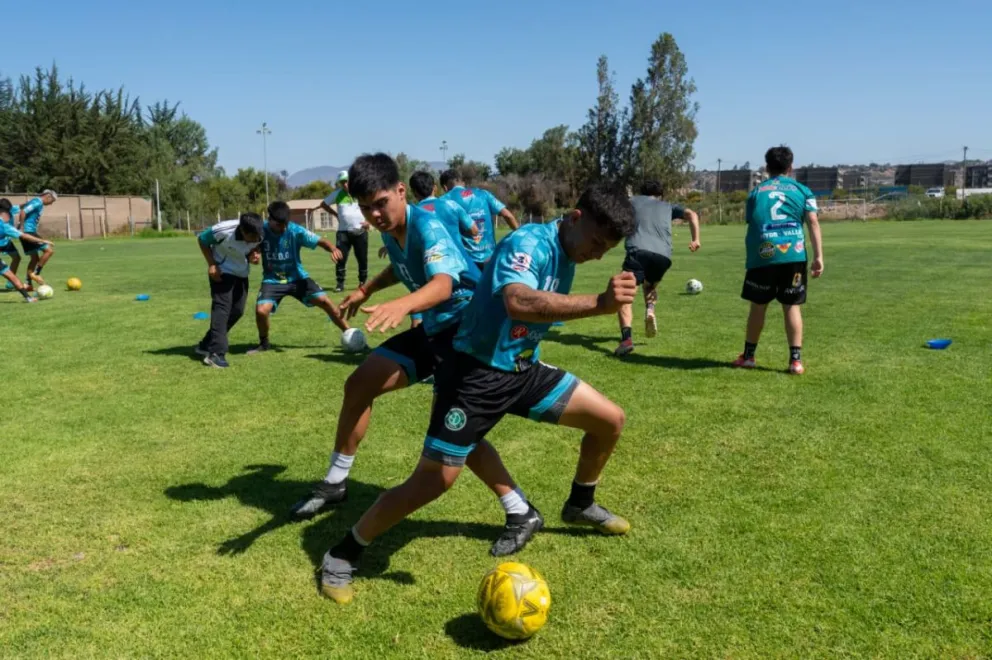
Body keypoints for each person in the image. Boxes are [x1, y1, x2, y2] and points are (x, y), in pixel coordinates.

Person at [318, 183, 639, 605]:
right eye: (596, 243)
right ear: (576, 218)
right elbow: (516, 301)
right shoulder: (529, 242)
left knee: (610, 420)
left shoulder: (567, 250)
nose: (597, 255)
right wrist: (599, 304)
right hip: (476, 376)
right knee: (432, 482)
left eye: (606, 250)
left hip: (522, 368)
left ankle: (580, 504)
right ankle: (341, 555)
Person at [291, 154, 541, 559]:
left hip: (467, 335)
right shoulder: (392, 229)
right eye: (366, 208)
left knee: (458, 435)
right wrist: (366, 290)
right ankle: (336, 482)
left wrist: (404, 305)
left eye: (381, 204)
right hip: (438, 331)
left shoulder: (426, 224)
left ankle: (519, 509)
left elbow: (443, 283)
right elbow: (401, 266)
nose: (374, 215)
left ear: (400, 191)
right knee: (360, 383)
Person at [734, 146, 823, 375]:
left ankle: (749, 357)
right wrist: (818, 256)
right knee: (791, 306)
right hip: (794, 253)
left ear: (767, 167)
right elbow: (813, 221)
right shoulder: (803, 190)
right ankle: (795, 361)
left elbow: (752, 221)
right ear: (790, 167)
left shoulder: (756, 192)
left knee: (758, 306)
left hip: (764, 253)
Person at [248, 201, 350, 354]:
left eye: (285, 224)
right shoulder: (261, 231)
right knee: (261, 311)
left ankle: (350, 333)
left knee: (325, 301)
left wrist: (333, 248)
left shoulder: (295, 230)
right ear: (270, 220)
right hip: (272, 280)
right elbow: (251, 250)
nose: (283, 228)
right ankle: (264, 343)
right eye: (279, 225)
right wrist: (253, 256)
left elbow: (320, 241)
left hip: (297, 278)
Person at [614, 180, 700, 356]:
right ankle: (650, 310)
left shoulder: (633, 201)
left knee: (625, 294)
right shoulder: (667, 206)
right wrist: (695, 239)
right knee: (650, 285)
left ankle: (626, 340)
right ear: (660, 195)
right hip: (663, 256)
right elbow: (692, 214)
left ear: (641, 191)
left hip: (638, 251)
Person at [194, 213, 265, 368]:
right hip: (222, 271)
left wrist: (254, 254)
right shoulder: (223, 230)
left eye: (257, 236)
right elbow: (202, 240)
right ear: (243, 230)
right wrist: (212, 264)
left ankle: (206, 344)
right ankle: (216, 354)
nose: (255, 239)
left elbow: (254, 247)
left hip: (241, 273)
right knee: (222, 309)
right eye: (252, 237)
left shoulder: (259, 232)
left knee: (237, 311)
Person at [439, 169, 519, 271]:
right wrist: (520, 234)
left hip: (465, 261)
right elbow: (508, 215)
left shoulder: (444, 201)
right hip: (490, 257)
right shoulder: (483, 194)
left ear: (445, 187)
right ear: (462, 182)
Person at [319, 171, 370, 292]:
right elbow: (323, 204)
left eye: (347, 181)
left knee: (362, 258)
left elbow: (372, 206)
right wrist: (335, 214)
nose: (345, 184)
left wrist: (369, 221)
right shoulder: (337, 194)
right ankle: (340, 284)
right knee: (340, 258)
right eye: (342, 182)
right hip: (343, 232)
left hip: (360, 231)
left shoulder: (361, 193)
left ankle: (362, 282)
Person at [8, 191, 57, 288]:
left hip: (28, 232)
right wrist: (21, 227)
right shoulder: (37, 202)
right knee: (49, 251)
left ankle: (28, 283)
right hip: (28, 232)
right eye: (52, 201)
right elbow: (23, 211)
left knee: (34, 259)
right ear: (48, 196)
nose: (51, 204)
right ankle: (36, 274)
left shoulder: (36, 202)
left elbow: (23, 208)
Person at [0, 206, 49, 302]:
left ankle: (28, 298)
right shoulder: (4, 226)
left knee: (11, 275)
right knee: (11, 276)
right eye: (9, 216)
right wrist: (42, 241)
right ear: (3, 215)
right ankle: (28, 298)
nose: (10, 219)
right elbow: (24, 236)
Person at [0, 202, 22, 289]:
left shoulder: (11, 209)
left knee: (17, 257)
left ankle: (11, 282)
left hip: (7, 242)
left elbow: (21, 206)